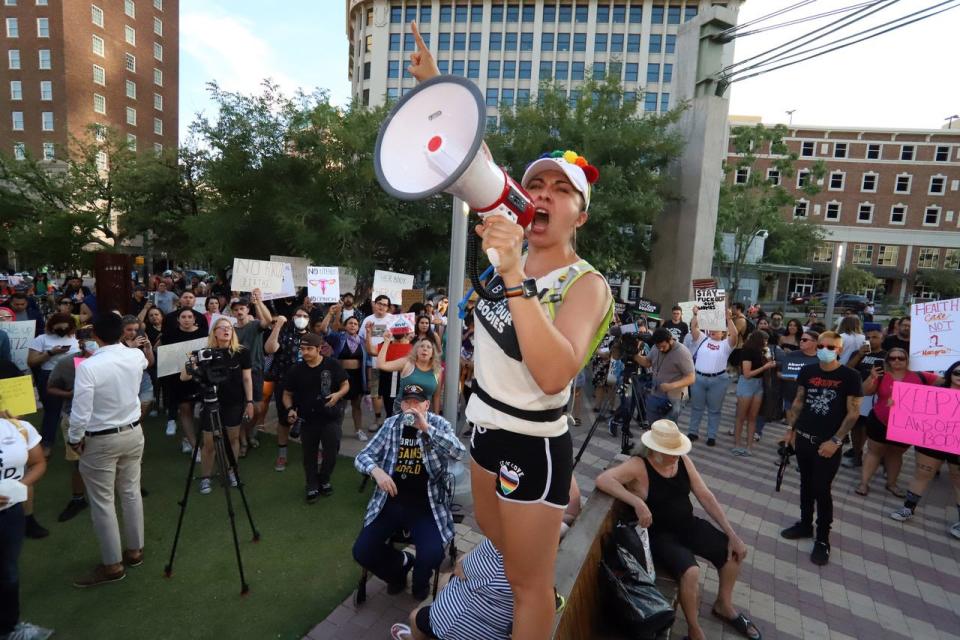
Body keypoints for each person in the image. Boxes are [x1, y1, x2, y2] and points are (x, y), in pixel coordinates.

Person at [410, 24, 614, 638]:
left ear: (580, 211)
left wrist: (515, 273)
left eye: (562, 189)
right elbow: (472, 157)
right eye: (536, 185)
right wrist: (436, 90)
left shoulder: (588, 285)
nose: (544, 195)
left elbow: (553, 372)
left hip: (532, 443)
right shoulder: (508, 234)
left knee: (532, 589)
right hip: (485, 427)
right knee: (498, 548)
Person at [595, 420, 760, 640]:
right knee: (692, 572)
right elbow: (604, 479)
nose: (675, 456)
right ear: (654, 449)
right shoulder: (639, 465)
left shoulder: (682, 460)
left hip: (687, 525)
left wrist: (732, 533)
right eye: (670, 452)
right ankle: (694, 629)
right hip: (660, 535)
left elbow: (705, 495)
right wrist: (637, 502)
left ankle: (724, 605)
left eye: (677, 451)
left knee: (733, 552)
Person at [353, 383, 466, 601]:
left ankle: (420, 583)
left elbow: (458, 452)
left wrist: (426, 429)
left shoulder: (437, 423)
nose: (411, 407)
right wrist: (376, 471)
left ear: (426, 405)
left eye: (417, 402)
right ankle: (400, 569)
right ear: (401, 404)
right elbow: (362, 456)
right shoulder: (391, 424)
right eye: (407, 402)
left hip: (426, 505)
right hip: (390, 503)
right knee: (362, 551)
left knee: (433, 554)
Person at [67, 313, 148, 587]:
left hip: (101, 438)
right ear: (122, 333)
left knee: (103, 502)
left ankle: (113, 565)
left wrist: (74, 438)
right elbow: (143, 362)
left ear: (96, 336)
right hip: (133, 431)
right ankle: (135, 551)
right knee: (130, 492)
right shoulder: (135, 356)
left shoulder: (89, 367)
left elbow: (80, 411)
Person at [781, 331, 862, 566]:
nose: (825, 349)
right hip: (804, 438)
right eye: (821, 345)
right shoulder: (808, 371)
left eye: (830, 346)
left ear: (839, 349)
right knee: (806, 484)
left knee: (821, 489)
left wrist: (836, 441)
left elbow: (853, 411)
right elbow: (799, 400)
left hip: (828, 443)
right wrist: (790, 429)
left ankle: (823, 538)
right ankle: (805, 524)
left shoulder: (850, 376)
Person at [0, 376, 52, 640]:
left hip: (9, 512)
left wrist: (16, 486)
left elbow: (38, 463)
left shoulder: (19, 428)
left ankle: (9, 626)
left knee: (8, 571)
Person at [181, 318, 254, 495]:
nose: (226, 331)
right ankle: (206, 477)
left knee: (233, 439)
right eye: (221, 328)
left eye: (229, 328)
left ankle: (231, 472)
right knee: (209, 443)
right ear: (214, 332)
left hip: (234, 402)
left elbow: (246, 378)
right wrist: (191, 361)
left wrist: (250, 402)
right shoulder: (205, 352)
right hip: (210, 403)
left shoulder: (242, 352)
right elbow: (184, 377)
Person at [854, 347, 938, 498]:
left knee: (896, 454)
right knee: (874, 452)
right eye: (893, 358)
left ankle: (892, 484)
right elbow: (865, 391)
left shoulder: (921, 376)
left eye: (901, 358)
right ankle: (864, 483)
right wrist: (872, 377)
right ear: (887, 361)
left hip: (906, 425)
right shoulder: (881, 375)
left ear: (907, 360)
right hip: (880, 421)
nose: (897, 361)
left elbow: (947, 383)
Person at [890, 360, 960, 539]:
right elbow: (910, 405)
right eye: (957, 373)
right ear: (950, 373)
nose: (959, 377)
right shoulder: (934, 393)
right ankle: (908, 508)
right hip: (931, 440)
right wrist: (896, 402)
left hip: (956, 444)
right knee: (922, 474)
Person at [281, 332, 349, 501]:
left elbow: (345, 384)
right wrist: (290, 409)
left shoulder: (332, 364)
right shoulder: (296, 369)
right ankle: (312, 484)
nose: (304, 352)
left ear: (319, 349)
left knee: (331, 451)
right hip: (306, 418)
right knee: (309, 455)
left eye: (309, 349)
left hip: (330, 416)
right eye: (302, 349)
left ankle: (324, 479)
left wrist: (338, 395)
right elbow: (287, 394)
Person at [46, 336, 100, 523]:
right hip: (74, 416)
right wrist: (69, 394)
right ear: (81, 346)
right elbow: (51, 388)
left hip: (103, 418)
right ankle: (78, 499)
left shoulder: (110, 360)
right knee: (78, 462)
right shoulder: (66, 363)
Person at [265, 307, 312, 472]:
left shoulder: (312, 338)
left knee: (309, 420)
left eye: (305, 316)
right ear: (292, 318)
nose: (301, 318)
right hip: (284, 385)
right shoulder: (284, 334)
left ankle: (312, 450)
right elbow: (270, 348)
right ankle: (282, 454)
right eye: (298, 315)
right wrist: (278, 325)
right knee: (284, 420)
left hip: (308, 386)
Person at [27, 313, 80, 452]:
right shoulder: (41, 339)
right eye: (59, 328)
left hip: (74, 376)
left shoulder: (75, 338)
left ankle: (77, 440)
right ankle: (47, 444)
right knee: (52, 411)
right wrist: (50, 353)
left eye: (65, 328)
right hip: (49, 376)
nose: (62, 331)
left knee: (76, 410)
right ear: (52, 326)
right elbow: (31, 361)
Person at [686, 307, 738, 446]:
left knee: (714, 410)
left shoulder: (726, 345)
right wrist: (697, 314)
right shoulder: (702, 339)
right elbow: (693, 326)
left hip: (718, 381)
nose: (714, 330)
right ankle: (693, 432)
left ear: (723, 333)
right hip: (699, 379)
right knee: (697, 407)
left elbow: (735, 336)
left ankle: (711, 436)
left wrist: (729, 319)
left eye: (718, 329)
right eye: (712, 328)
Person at [231, 291, 272, 455]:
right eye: (236, 309)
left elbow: (268, 321)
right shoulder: (229, 329)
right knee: (240, 408)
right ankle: (242, 441)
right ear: (232, 312)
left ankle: (250, 431)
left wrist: (258, 302)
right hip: (235, 373)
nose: (239, 312)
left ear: (247, 310)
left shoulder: (255, 325)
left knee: (257, 407)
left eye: (242, 308)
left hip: (255, 370)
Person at [158, 308, 204, 452]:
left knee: (202, 410)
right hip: (178, 378)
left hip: (201, 377)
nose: (186, 319)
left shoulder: (203, 334)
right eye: (183, 317)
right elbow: (163, 357)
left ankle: (192, 439)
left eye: (190, 316)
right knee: (185, 409)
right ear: (178, 319)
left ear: (194, 319)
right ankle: (193, 445)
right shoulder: (169, 335)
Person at [319, 307, 368, 441]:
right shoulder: (338, 337)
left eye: (355, 324)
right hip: (341, 376)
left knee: (356, 405)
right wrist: (330, 313)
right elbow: (323, 329)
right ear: (345, 326)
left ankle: (358, 430)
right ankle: (336, 429)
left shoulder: (363, 341)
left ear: (358, 327)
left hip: (357, 377)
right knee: (340, 404)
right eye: (350, 323)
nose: (353, 325)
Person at [843, 324, 886, 469]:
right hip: (858, 394)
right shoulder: (858, 352)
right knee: (855, 426)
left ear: (882, 338)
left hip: (876, 397)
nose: (871, 340)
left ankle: (874, 456)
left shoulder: (886, 355)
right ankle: (856, 454)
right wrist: (860, 354)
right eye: (868, 337)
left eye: (875, 337)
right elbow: (848, 369)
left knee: (868, 429)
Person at [634, 328, 695, 423]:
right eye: (658, 347)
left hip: (673, 398)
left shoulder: (682, 352)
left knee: (667, 429)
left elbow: (691, 378)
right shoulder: (656, 347)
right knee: (653, 427)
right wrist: (634, 355)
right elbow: (647, 362)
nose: (660, 349)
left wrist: (671, 386)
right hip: (655, 393)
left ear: (670, 340)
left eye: (663, 346)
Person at [731, 330, 776, 456]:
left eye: (767, 340)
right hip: (747, 384)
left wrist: (768, 359)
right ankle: (737, 444)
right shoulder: (747, 351)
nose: (766, 343)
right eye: (764, 340)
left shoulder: (762, 351)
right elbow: (747, 374)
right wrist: (764, 367)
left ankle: (749, 446)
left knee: (752, 417)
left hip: (759, 384)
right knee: (741, 416)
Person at [378, 332, 443, 415]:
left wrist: (436, 418)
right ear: (416, 350)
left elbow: (436, 397)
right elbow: (381, 365)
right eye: (421, 346)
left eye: (429, 347)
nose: (425, 349)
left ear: (433, 354)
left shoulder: (437, 370)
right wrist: (386, 342)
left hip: (423, 415)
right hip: (402, 412)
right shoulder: (407, 363)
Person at [362, 294, 394, 433]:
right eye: (379, 303)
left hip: (392, 365)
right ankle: (377, 419)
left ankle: (390, 420)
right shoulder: (367, 320)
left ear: (389, 307)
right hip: (374, 364)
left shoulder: (392, 320)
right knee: (375, 393)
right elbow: (362, 340)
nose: (381, 306)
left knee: (390, 393)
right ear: (374, 304)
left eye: (385, 305)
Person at [120, 316, 155, 423]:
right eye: (129, 329)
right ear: (121, 330)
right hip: (125, 380)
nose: (133, 333)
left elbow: (150, 363)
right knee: (128, 409)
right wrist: (132, 348)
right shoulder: (117, 343)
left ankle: (137, 425)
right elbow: (117, 363)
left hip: (143, 377)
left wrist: (148, 349)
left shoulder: (141, 337)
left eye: (136, 329)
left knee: (146, 401)